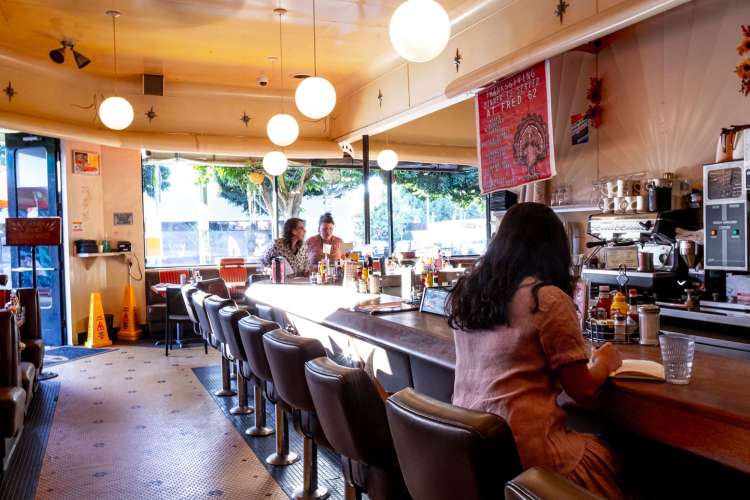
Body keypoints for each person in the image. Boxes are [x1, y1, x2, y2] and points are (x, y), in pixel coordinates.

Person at [447, 202, 624, 499]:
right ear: (553, 250)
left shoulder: (465, 296)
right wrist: (606, 360)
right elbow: (584, 390)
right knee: (630, 460)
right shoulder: (545, 299)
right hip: (529, 460)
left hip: (471, 448)